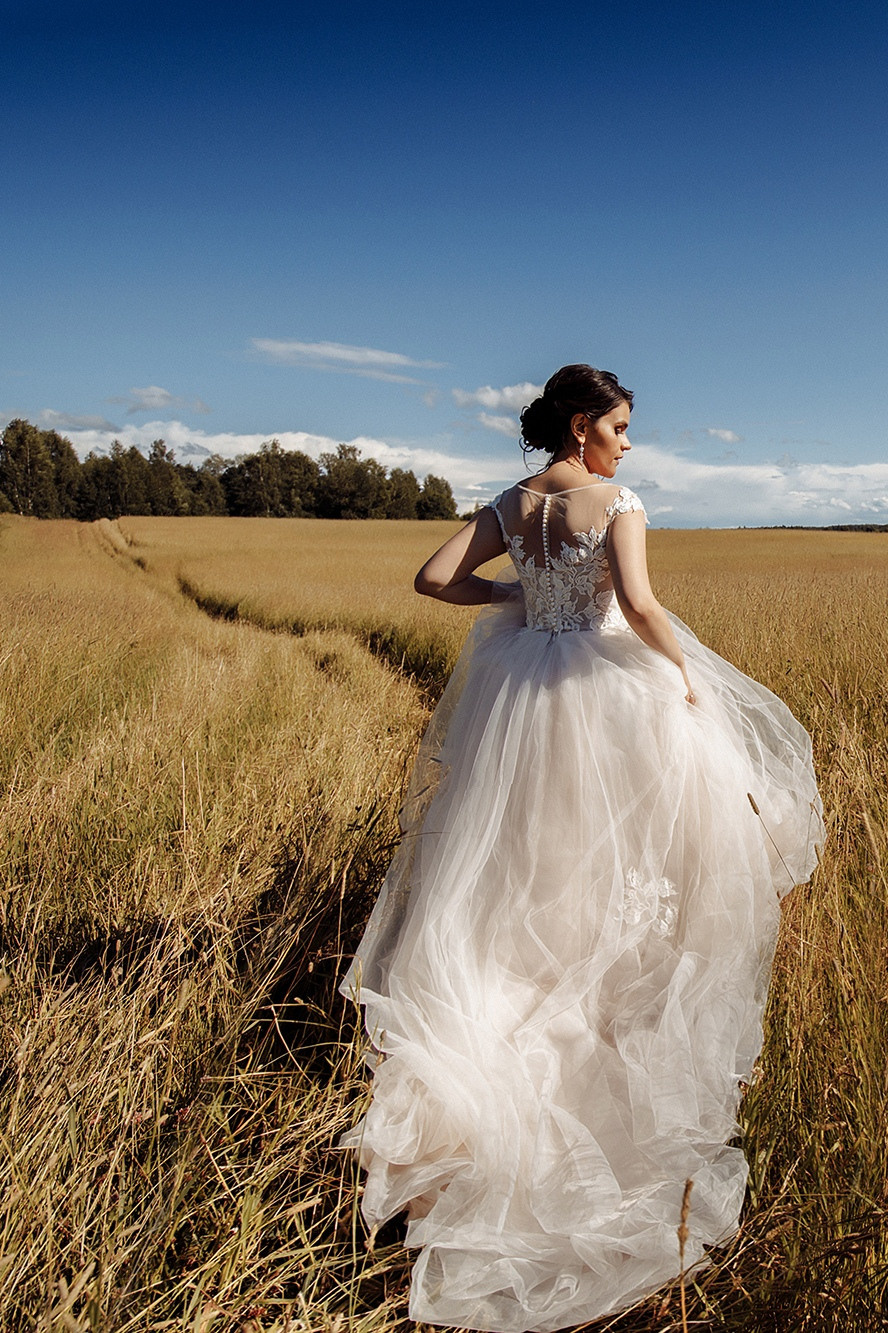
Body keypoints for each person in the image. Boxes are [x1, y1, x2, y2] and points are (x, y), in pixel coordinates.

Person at [336, 365, 824, 1330]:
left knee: (508, 877)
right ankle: (602, 1061)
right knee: (615, 879)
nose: (630, 443)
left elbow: (434, 579)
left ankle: (484, 1086)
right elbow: (640, 607)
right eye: (623, 425)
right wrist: (686, 676)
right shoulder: (618, 501)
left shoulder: (513, 504)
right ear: (583, 424)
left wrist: (515, 605)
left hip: (519, 693)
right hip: (604, 695)